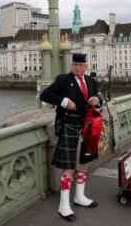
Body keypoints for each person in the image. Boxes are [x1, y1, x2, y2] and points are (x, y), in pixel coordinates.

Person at [40, 53, 101, 222]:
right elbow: (45, 95)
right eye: (75, 65)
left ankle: (79, 196)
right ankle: (63, 205)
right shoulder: (63, 80)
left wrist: (98, 99)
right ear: (72, 65)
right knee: (68, 167)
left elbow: (99, 97)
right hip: (69, 125)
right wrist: (64, 102)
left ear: (86, 66)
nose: (78, 68)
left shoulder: (90, 81)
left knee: (84, 162)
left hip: (88, 126)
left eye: (81, 65)